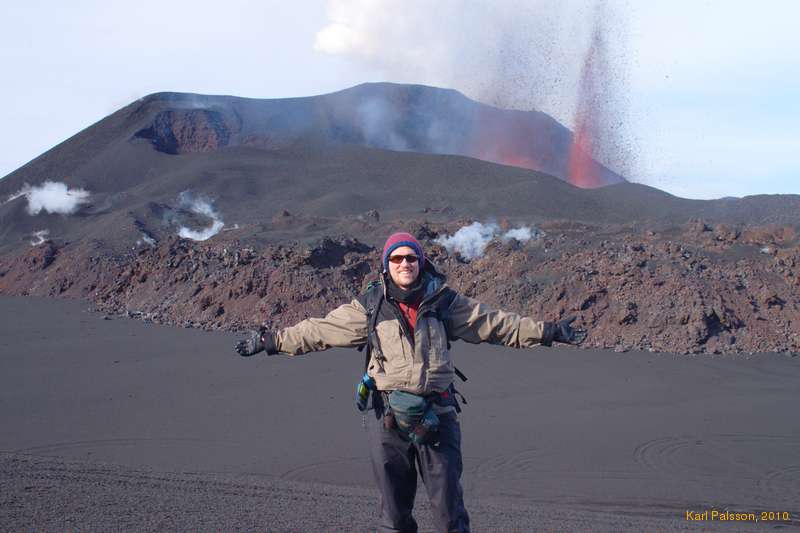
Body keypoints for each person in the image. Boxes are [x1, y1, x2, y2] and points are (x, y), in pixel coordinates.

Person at [235, 231, 586, 533]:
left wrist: (549, 332)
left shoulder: (444, 303)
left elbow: (496, 324)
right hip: (387, 420)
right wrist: (271, 341)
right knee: (395, 516)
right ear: (386, 265)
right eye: (397, 258)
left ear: (421, 262)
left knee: (450, 513)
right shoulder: (370, 307)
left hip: (437, 417)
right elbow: (319, 330)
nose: (405, 264)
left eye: (411, 257)